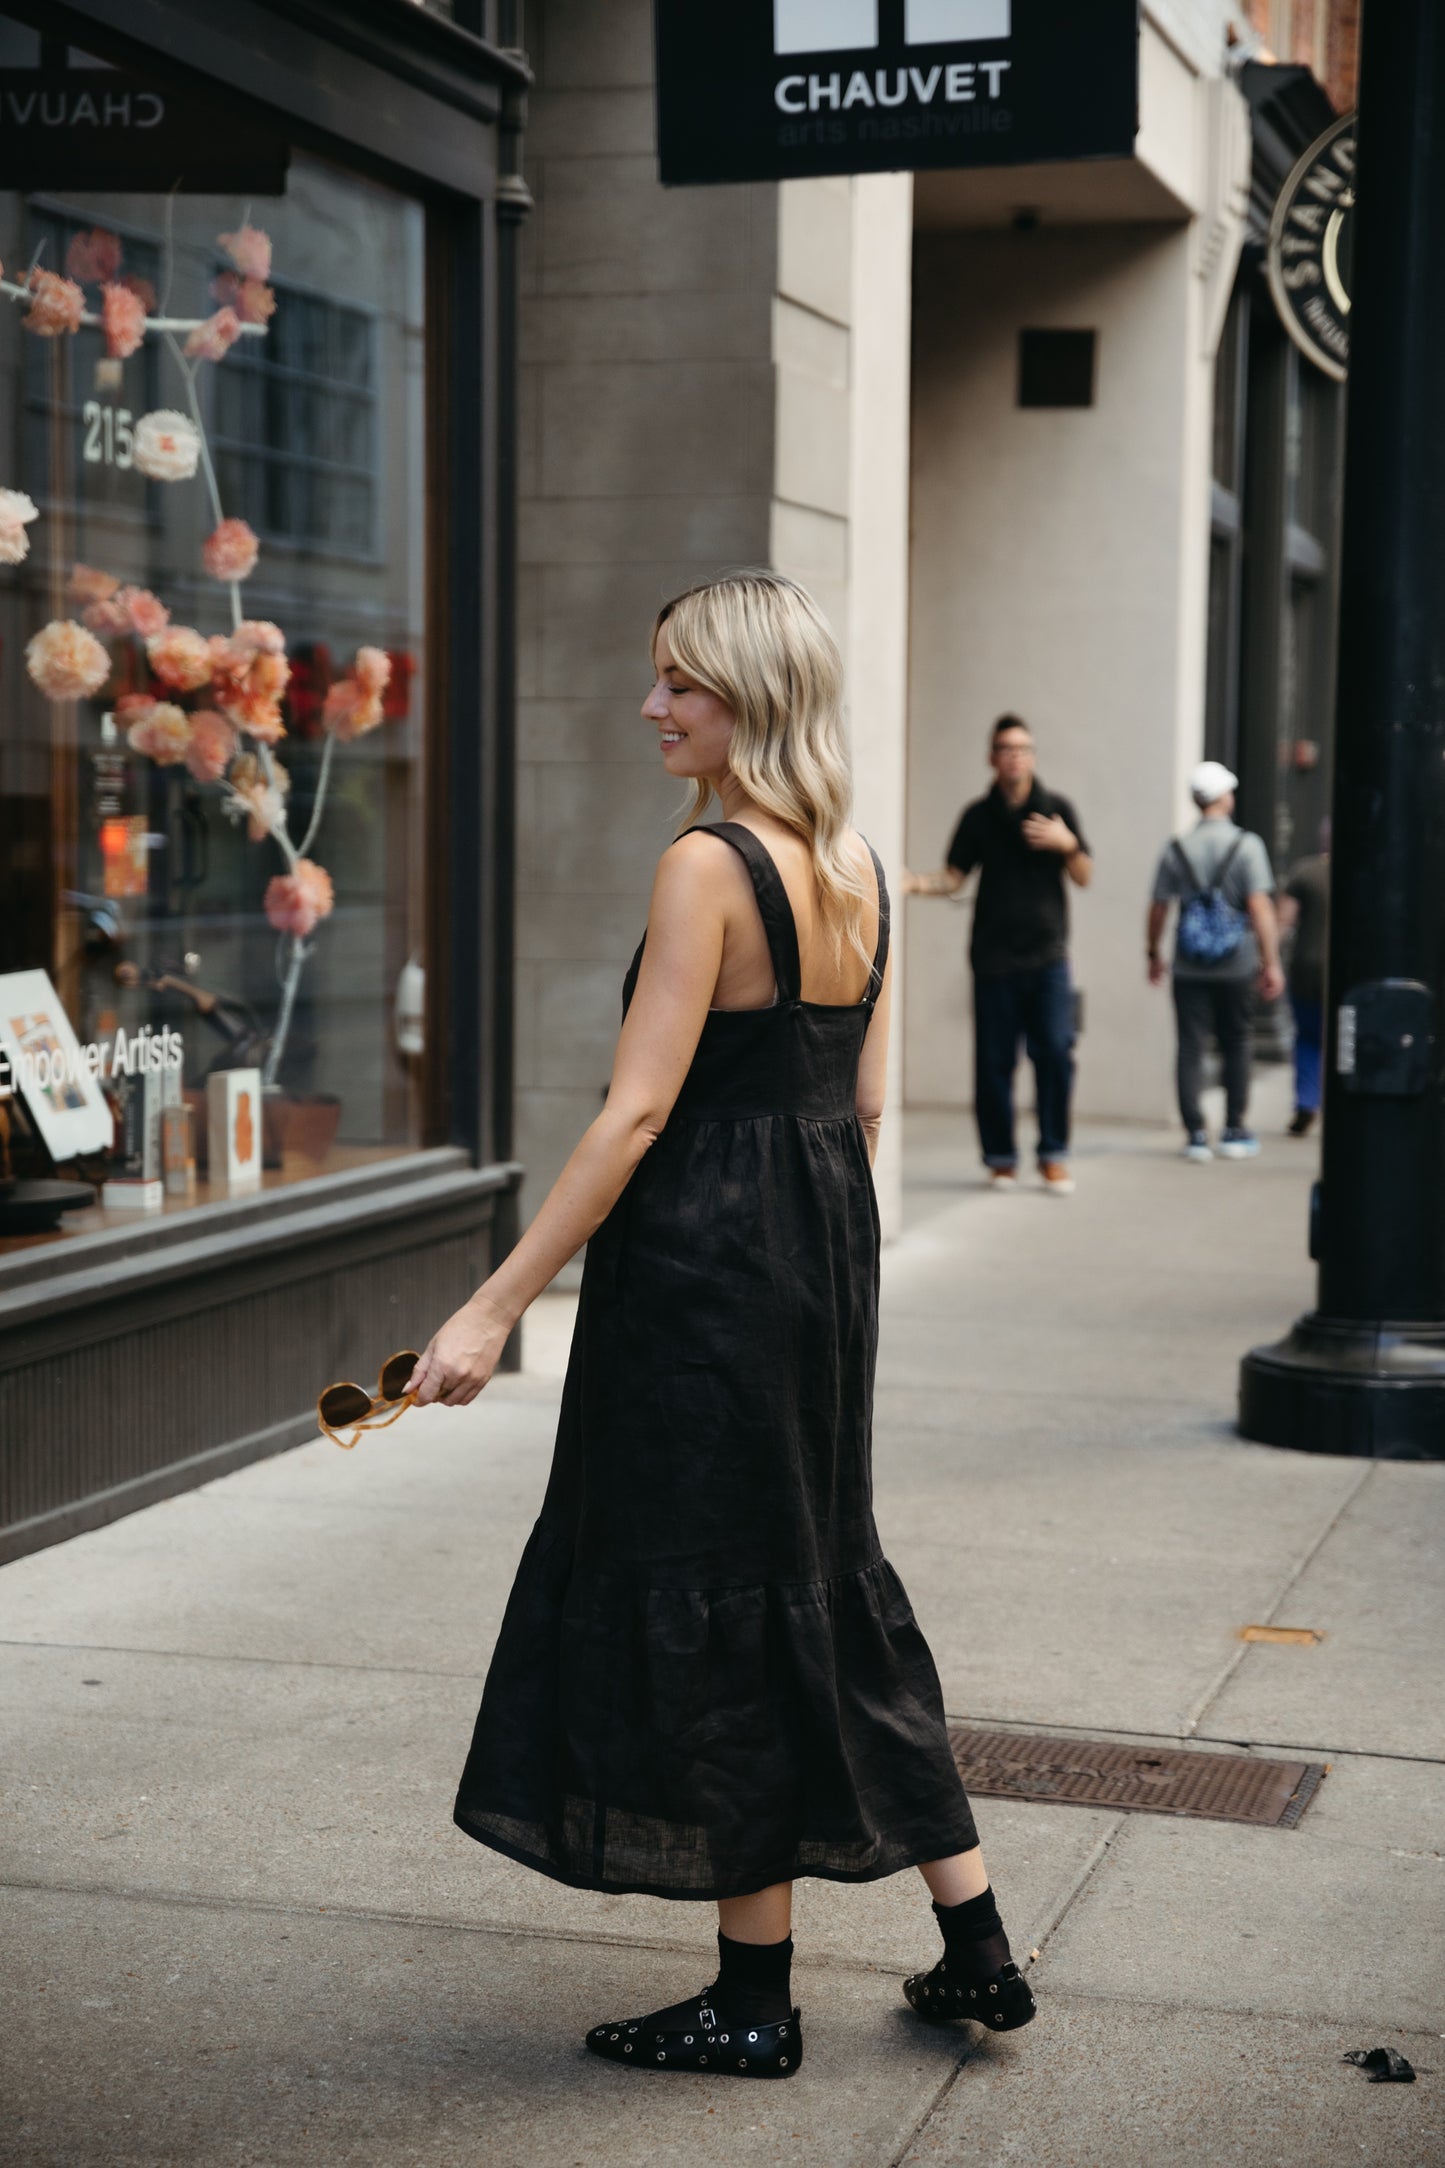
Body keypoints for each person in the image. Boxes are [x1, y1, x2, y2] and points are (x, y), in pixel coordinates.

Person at [406, 573, 1035, 2079]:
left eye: (678, 684)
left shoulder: (707, 865)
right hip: (818, 1264)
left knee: (717, 1608)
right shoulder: (863, 863)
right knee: (820, 1579)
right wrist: (805, 1236)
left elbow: (635, 1114)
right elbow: (866, 1103)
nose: (651, 707)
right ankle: (977, 1947)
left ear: (747, 695)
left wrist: (494, 1304)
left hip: (699, 1279)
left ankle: (754, 1999)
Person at [904, 714, 1092, 1194]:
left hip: (1048, 958)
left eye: (1023, 748)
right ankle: (1001, 1159)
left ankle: (1053, 1155)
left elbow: (1085, 875)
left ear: (1032, 756)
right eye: (1006, 749)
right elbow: (954, 877)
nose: (1016, 757)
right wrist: (914, 884)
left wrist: (1067, 844)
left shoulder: (1056, 809)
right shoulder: (977, 816)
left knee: (1054, 1053)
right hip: (992, 960)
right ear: (992, 758)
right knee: (993, 1064)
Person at [1147, 760, 1285, 1162]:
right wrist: (1270, 960)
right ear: (1224, 797)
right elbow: (1259, 908)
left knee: (1190, 1046)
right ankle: (1234, 1129)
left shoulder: (1176, 848)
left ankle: (1194, 1135)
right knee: (1237, 1041)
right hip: (1237, 963)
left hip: (1189, 963)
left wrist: (1154, 952)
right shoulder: (1247, 846)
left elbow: (1158, 907)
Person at [1278, 831, 1330, 1136]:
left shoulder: (1306, 872)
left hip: (1308, 970)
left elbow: (1283, 920)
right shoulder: (1369, 871)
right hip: (1349, 973)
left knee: (1309, 1039)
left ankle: (1307, 1101)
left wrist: (1267, 961)